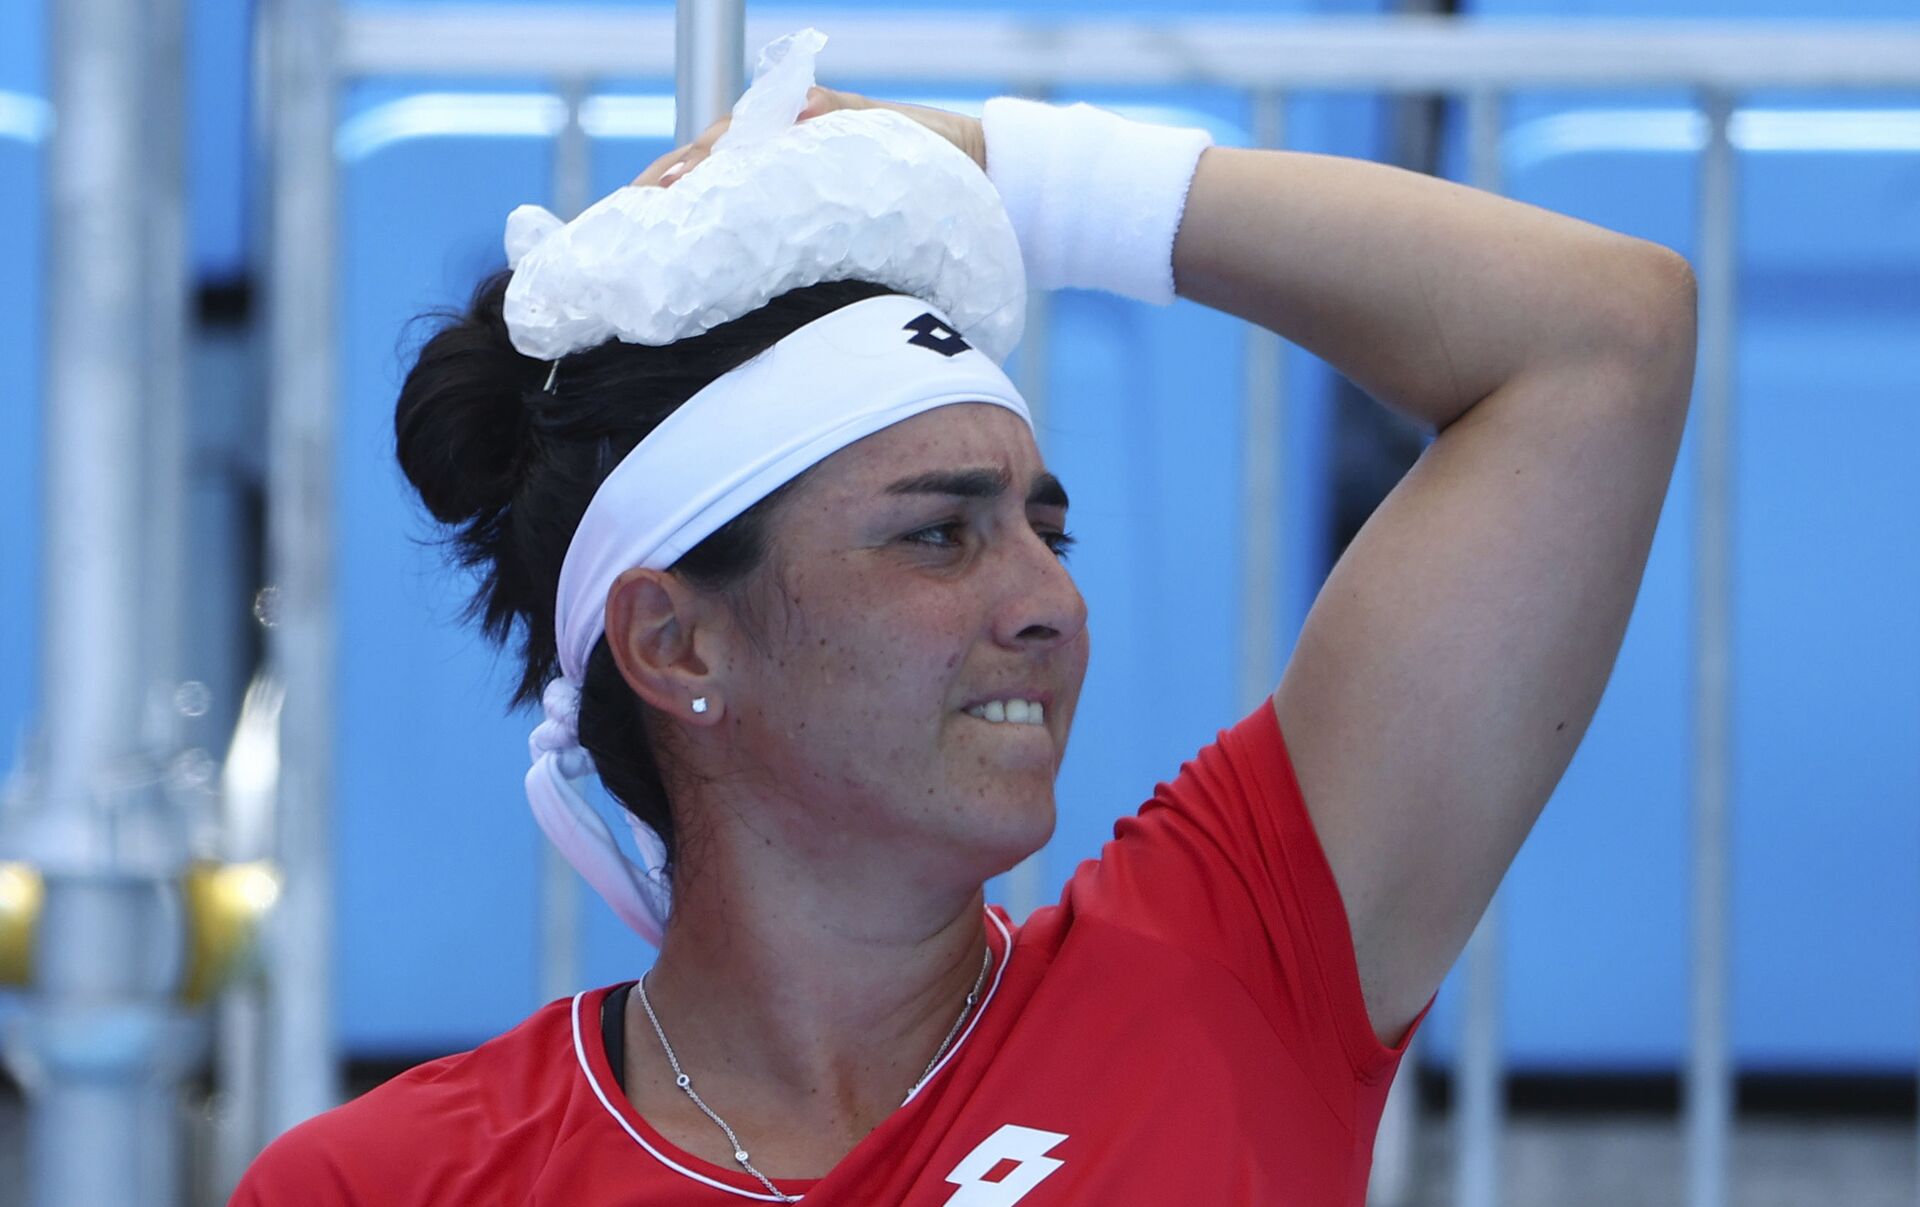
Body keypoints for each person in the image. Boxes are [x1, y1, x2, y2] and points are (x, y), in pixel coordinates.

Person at [233, 35, 1696, 1206]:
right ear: (676, 643)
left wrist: (1001, 173)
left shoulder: (1233, 970)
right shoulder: (386, 1184)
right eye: (939, 535)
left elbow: (1599, 339)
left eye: (1048, 530)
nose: (1050, 602)